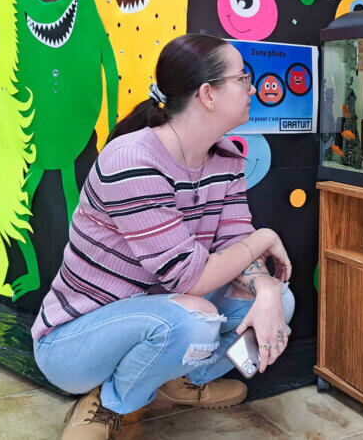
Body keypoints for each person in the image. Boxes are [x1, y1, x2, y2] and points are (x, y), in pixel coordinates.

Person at [32, 34, 295, 439]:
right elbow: (190, 280)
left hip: (161, 312)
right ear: (208, 94)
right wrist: (265, 237)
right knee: (195, 319)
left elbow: (235, 244)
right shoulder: (132, 159)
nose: (252, 87)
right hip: (75, 343)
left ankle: (175, 381)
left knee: (281, 298)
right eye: (243, 78)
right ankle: (109, 400)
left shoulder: (225, 159)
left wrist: (265, 288)